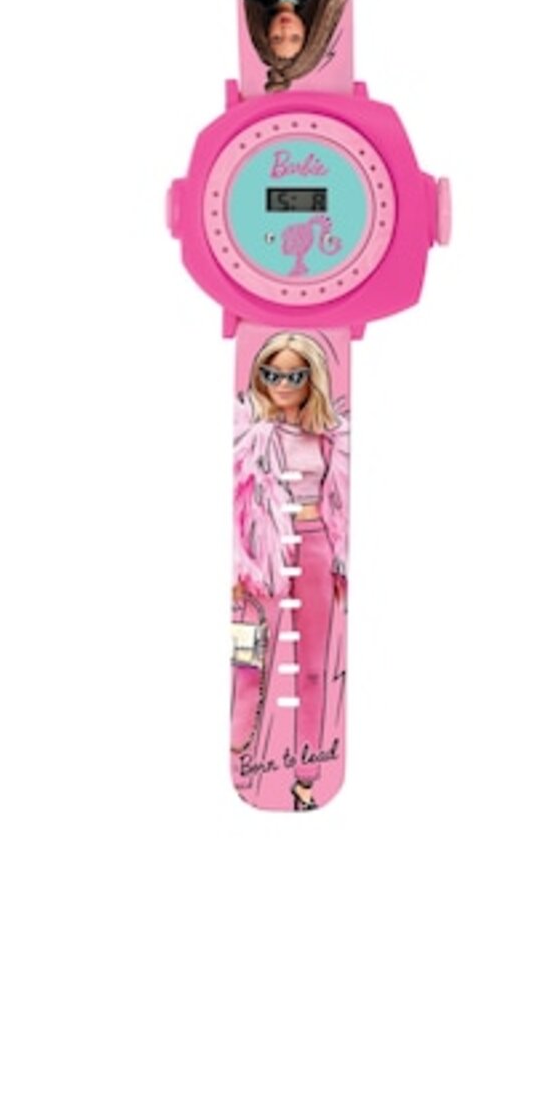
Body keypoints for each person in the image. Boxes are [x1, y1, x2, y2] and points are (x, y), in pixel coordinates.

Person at [232, 331, 349, 808]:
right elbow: (240, 499)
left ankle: (307, 775)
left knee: (314, 669)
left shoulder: (331, 438)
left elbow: (340, 500)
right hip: (264, 549)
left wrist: (340, 560)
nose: (281, 385)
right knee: (249, 656)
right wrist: (240, 563)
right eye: (271, 375)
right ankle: (241, 754)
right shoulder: (250, 434)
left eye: (293, 376)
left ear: (311, 378)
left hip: (316, 544)